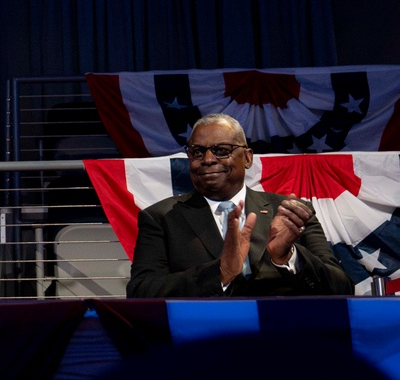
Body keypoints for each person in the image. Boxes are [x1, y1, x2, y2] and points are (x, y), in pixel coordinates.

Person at [127, 113, 354, 298]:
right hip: (204, 344)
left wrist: (287, 256)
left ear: (247, 158)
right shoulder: (161, 217)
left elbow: (342, 288)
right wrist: (220, 273)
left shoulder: (290, 211)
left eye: (221, 150)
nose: (207, 159)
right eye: (197, 152)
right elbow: (141, 292)